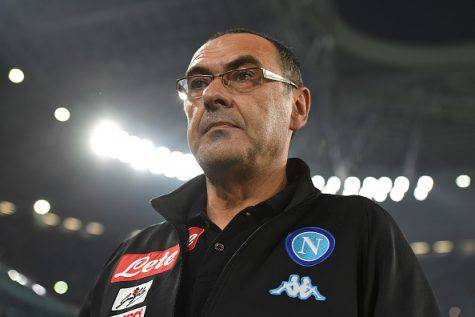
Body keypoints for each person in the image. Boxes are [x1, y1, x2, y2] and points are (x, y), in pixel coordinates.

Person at [79, 28, 442, 317]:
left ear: (297, 108)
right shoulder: (133, 253)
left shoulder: (358, 229)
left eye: (243, 75)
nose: (211, 95)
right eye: (198, 83)